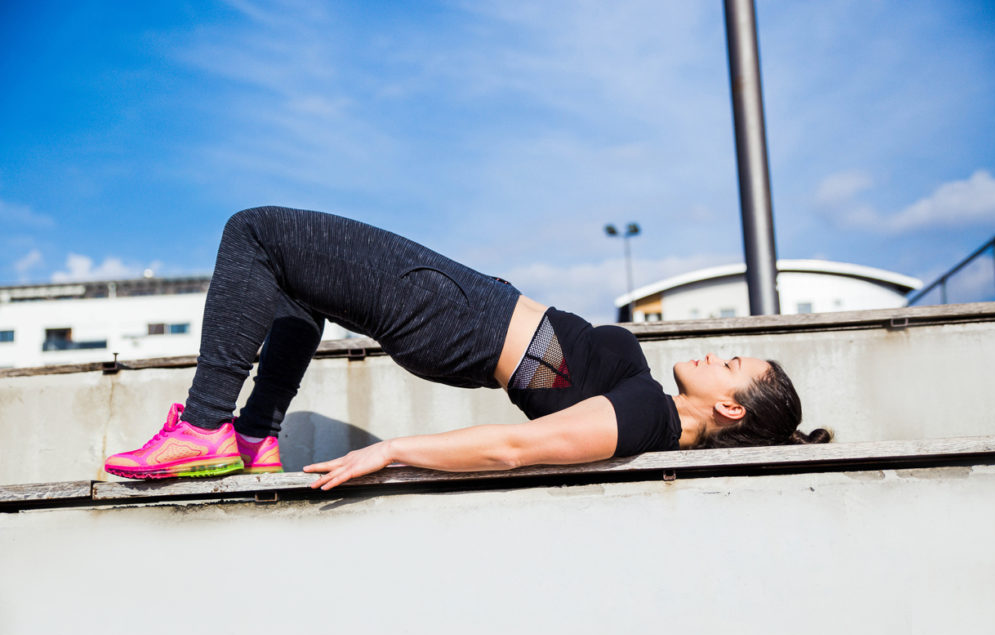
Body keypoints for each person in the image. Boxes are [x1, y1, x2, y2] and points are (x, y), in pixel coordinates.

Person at [104, 207, 830, 489]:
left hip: (453, 316)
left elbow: (519, 449)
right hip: (461, 308)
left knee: (254, 234)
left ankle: (203, 428)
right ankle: (255, 435)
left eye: (730, 364)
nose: (716, 354)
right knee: (292, 280)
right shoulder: (647, 401)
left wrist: (393, 450)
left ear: (730, 406)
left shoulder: (644, 414)